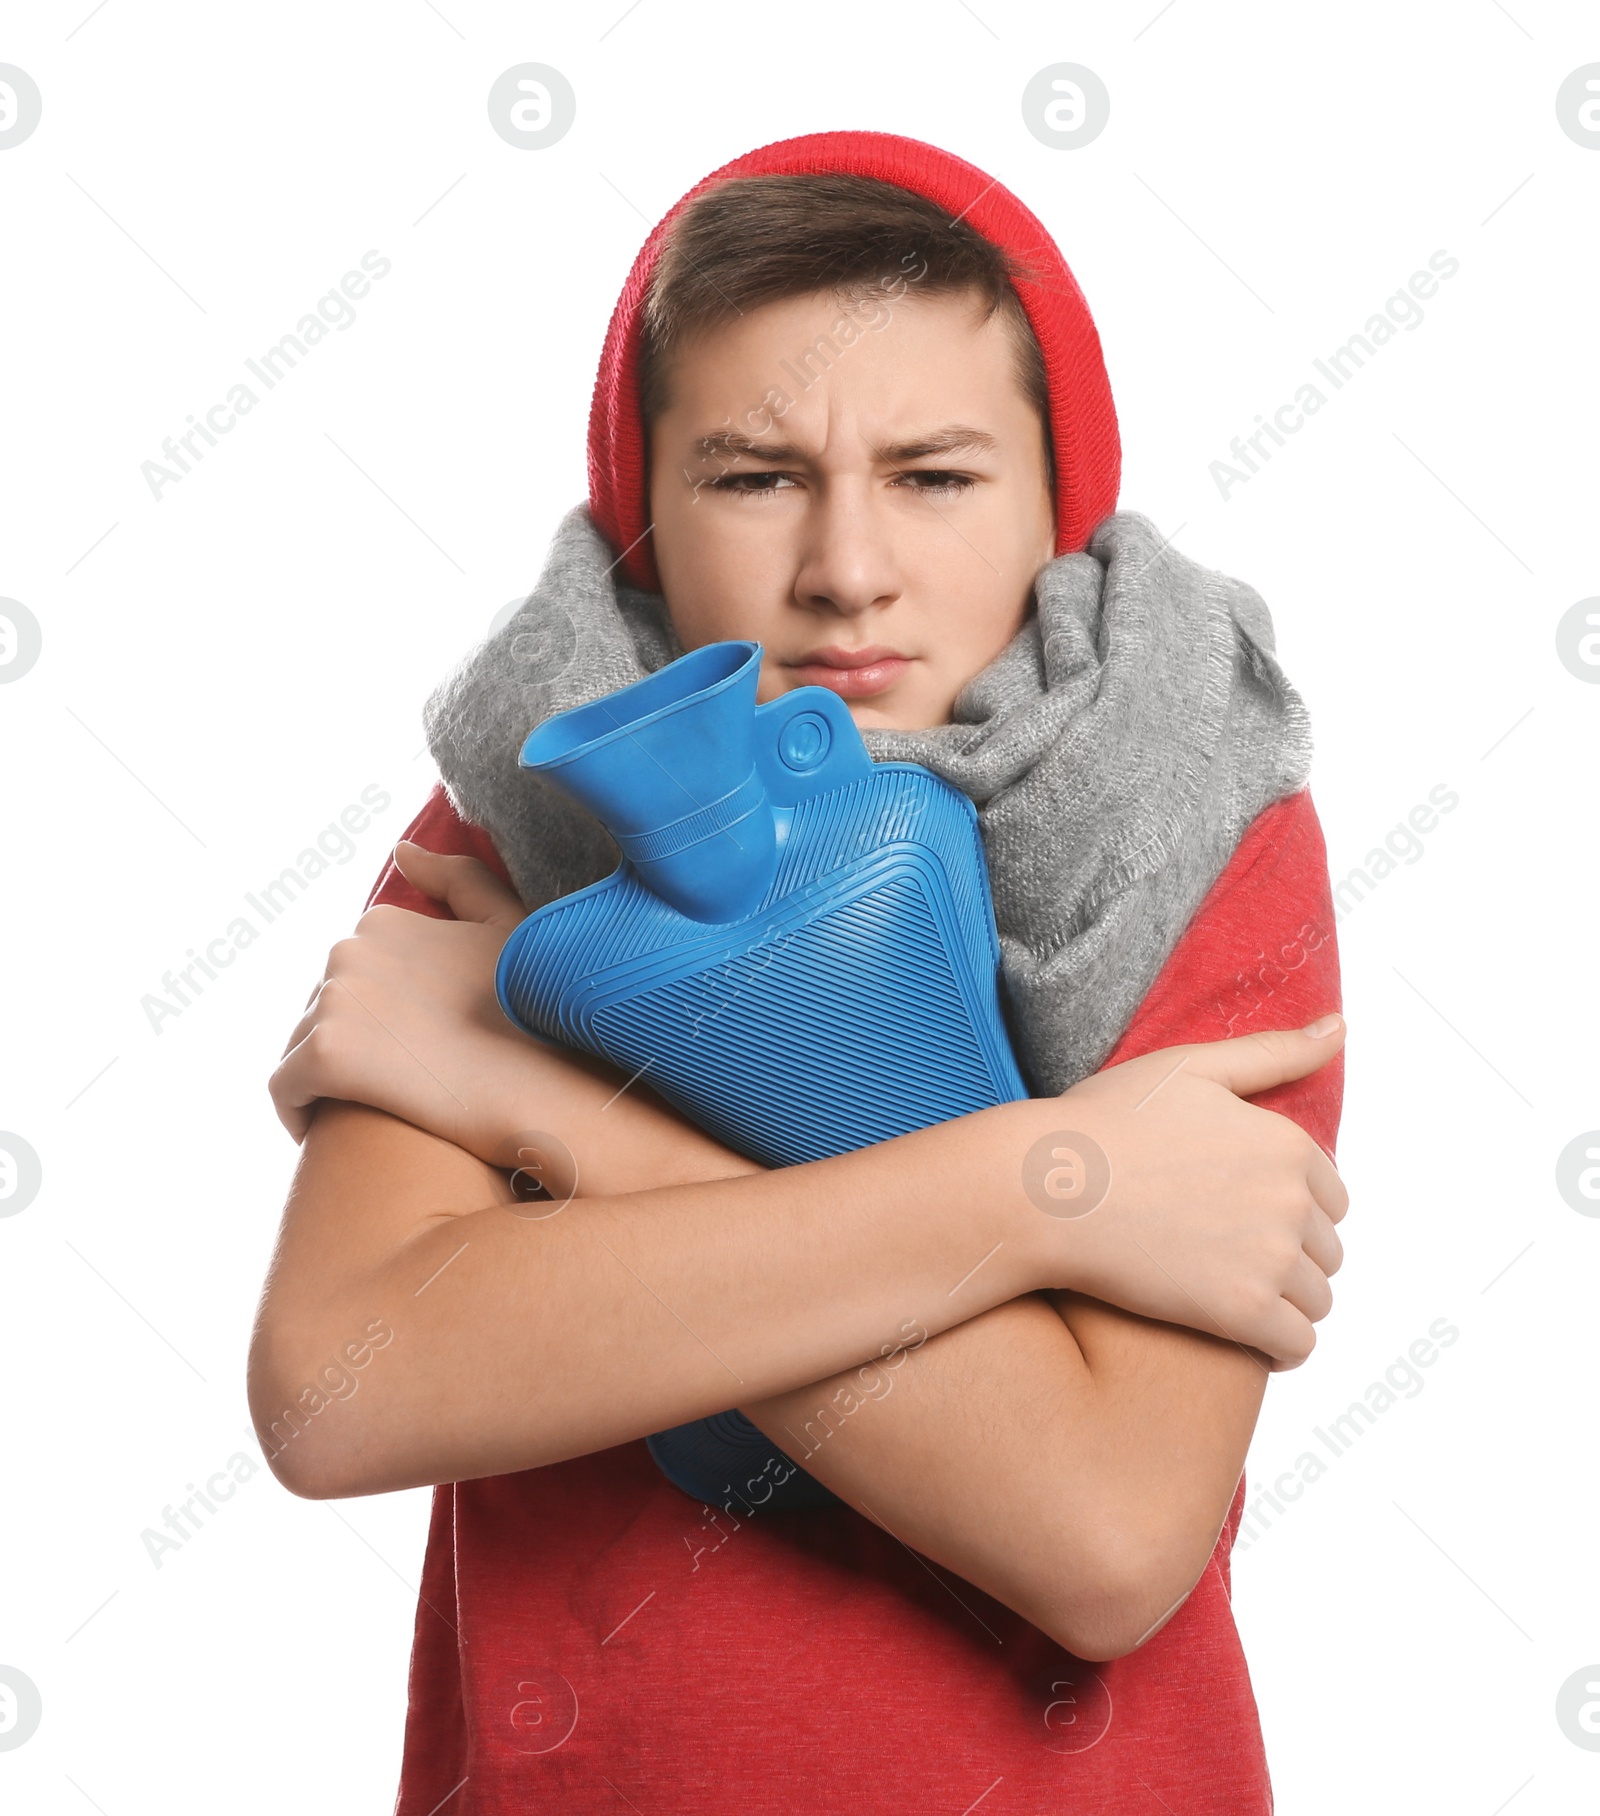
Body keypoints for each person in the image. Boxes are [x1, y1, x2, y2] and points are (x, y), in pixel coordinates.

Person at [251, 131, 1349, 1812]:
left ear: (1063, 499)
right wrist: (1051, 1193)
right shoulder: (525, 810)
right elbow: (346, 1390)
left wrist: (552, 1108)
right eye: (756, 477)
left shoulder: (1186, 808)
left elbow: (1104, 1530)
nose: (846, 570)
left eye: (936, 473)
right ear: (643, 508)